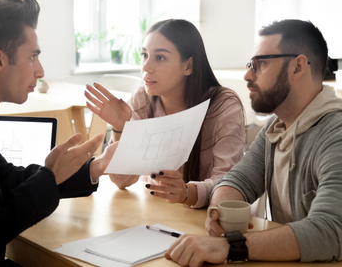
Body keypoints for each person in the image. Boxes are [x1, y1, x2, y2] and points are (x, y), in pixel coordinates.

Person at [165, 19, 342, 266]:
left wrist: (230, 247)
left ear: (298, 67)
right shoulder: (277, 126)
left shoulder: (340, 136)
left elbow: (330, 231)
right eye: (250, 64)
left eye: (260, 64)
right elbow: (238, 180)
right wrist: (218, 210)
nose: (247, 75)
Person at [0, 0, 117, 266]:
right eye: (33, 57)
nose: (40, 71)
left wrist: (91, 169)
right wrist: (48, 178)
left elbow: (4, 179)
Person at [84, 19, 245, 208]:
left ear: (189, 66)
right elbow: (122, 181)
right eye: (144, 55)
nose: (146, 67)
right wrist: (120, 129)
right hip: (155, 213)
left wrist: (187, 193)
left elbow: (229, 184)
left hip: (205, 220)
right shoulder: (141, 100)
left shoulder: (224, 106)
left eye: (160, 57)